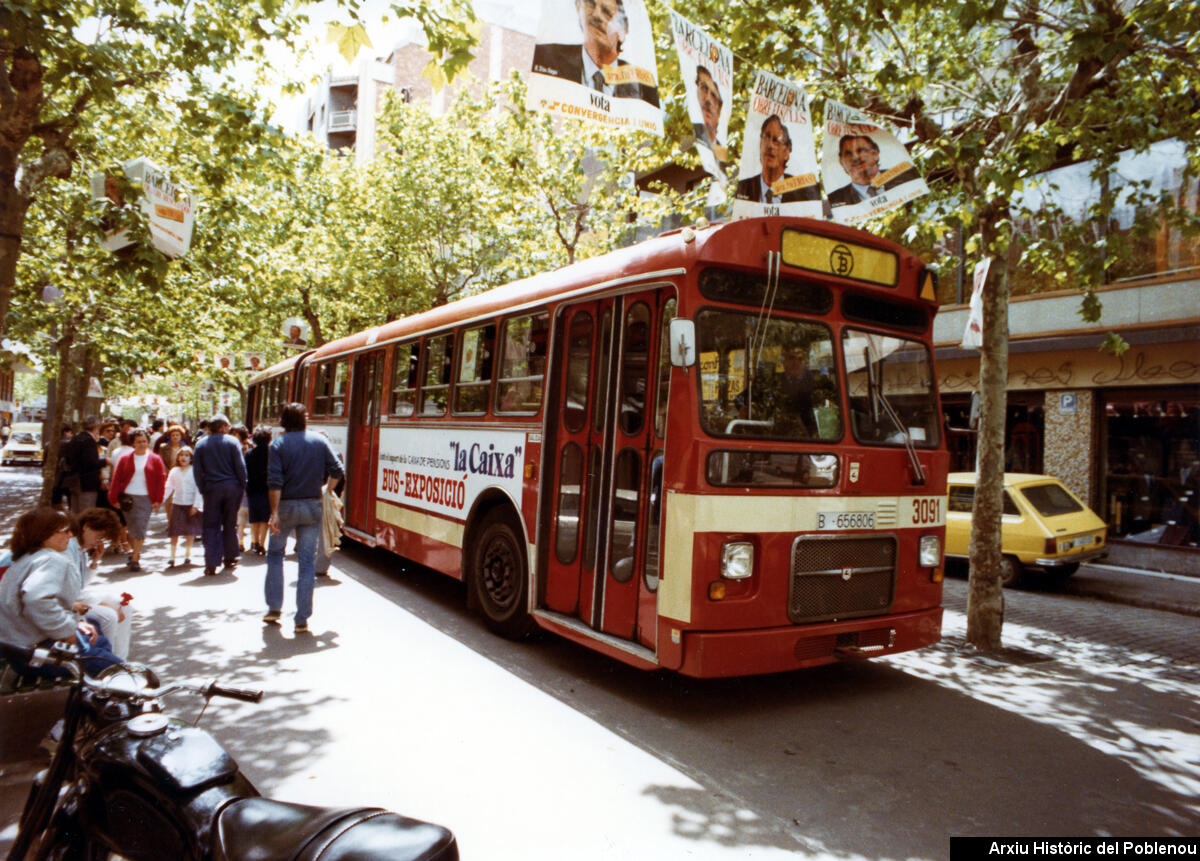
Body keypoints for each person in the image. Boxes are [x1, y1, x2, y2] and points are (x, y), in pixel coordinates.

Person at [0, 507, 124, 678]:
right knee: (125, 674)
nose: (70, 535)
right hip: (39, 654)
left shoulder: (28, 557)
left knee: (98, 636)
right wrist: (67, 631)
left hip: (19, 652)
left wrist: (75, 623)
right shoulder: (50, 559)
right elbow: (38, 599)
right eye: (65, 531)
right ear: (44, 534)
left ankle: (91, 689)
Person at [264, 403, 344, 633]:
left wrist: (274, 513)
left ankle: (274, 609)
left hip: (286, 506)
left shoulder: (278, 444)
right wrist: (327, 490)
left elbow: (275, 483)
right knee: (307, 561)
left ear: (283, 420)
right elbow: (338, 470)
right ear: (304, 419)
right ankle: (301, 618)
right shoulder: (319, 441)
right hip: (312, 506)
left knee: (275, 556)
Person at [531, 0, 660, 107]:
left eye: (607, 12)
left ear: (623, 31)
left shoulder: (644, 88)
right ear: (578, 9)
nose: (597, 15)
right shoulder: (546, 58)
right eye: (591, 4)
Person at [192, 413, 246, 577]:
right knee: (230, 522)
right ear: (223, 427)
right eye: (228, 426)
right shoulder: (233, 442)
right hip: (232, 488)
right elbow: (240, 467)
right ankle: (230, 556)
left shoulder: (201, 445)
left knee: (211, 526)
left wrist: (203, 489)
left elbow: (197, 471)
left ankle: (211, 562)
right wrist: (242, 485)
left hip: (212, 488)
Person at [107, 429, 166, 572]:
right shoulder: (125, 459)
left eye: (144, 441)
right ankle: (135, 552)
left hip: (146, 498)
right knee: (131, 529)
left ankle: (134, 558)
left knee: (140, 527)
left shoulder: (155, 459)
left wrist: (158, 499)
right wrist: (113, 498)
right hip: (128, 498)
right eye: (138, 441)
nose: (142, 444)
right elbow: (116, 479)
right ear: (133, 443)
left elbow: (161, 479)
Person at [735, 115, 819, 204]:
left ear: (787, 152)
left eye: (776, 140)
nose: (770, 145)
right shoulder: (744, 188)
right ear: (760, 144)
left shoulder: (803, 193)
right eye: (766, 137)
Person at [827, 134, 921, 206]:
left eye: (861, 150)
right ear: (841, 162)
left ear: (875, 154)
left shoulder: (907, 177)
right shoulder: (835, 200)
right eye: (848, 154)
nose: (855, 157)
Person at [163, 447, 203, 568]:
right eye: (181, 455)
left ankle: (187, 554)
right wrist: (161, 499)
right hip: (178, 503)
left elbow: (198, 489)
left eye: (186, 455)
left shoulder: (194, 470)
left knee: (190, 532)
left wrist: (196, 505)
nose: (183, 458)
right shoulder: (174, 471)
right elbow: (168, 487)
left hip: (190, 504)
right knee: (174, 531)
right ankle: (172, 556)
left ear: (191, 458)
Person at [62, 417, 103, 514]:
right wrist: (105, 461)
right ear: (96, 427)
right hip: (86, 483)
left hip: (73, 480)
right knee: (86, 512)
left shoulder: (75, 438)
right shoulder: (89, 440)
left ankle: (76, 528)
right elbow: (91, 463)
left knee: (75, 511)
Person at [245, 426, 272, 555]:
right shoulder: (272, 453)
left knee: (254, 517)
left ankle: (254, 541)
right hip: (267, 490)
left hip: (252, 489)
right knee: (264, 518)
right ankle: (262, 543)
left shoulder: (249, 454)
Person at [692, 65, 723, 151]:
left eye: (713, 95)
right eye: (704, 88)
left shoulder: (723, 157)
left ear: (719, 110)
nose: (708, 99)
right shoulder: (686, 138)